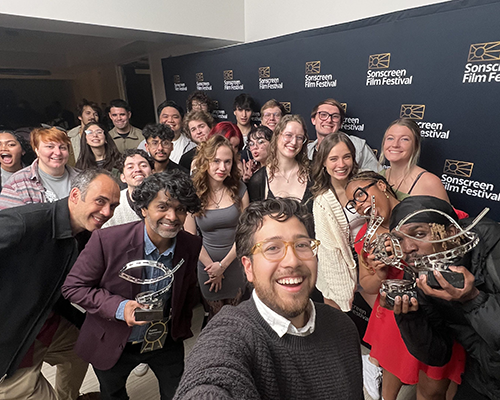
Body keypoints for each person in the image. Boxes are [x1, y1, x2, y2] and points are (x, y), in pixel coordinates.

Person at [174, 198, 363, 400]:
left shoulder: (343, 326)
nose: (292, 261)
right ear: (248, 268)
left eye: (301, 245)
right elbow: (213, 377)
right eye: (272, 248)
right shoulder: (233, 332)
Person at [62, 170, 203, 400]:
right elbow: (73, 288)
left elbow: (186, 290)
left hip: (165, 341)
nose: (173, 216)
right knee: (113, 394)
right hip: (114, 341)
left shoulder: (191, 244)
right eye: (163, 207)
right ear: (144, 209)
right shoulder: (106, 241)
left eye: (180, 209)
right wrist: (119, 307)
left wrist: (181, 325)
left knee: (177, 394)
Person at [0, 169, 121, 400]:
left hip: (44, 323)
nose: (107, 212)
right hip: (9, 344)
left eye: (113, 206)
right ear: (75, 195)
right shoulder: (27, 222)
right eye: (100, 201)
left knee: (83, 349)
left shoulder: (86, 235)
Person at [345, 172, 464, 400]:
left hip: (438, 315)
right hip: (395, 317)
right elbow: (367, 285)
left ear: (381, 185)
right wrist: (379, 271)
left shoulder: (425, 212)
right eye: (353, 203)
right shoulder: (366, 235)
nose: (359, 206)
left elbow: (460, 241)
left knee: (432, 388)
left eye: (361, 195)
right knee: (390, 385)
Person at [388, 196, 500, 400]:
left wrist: (472, 299)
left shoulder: (493, 249)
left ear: (451, 233)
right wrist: (412, 320)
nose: (407, 248)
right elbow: (437, 355)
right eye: (400, 240)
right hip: (482, 378)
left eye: (419, 234)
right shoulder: (419, 270)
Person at [184, 135, 249, 318]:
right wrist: (213, 267)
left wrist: (223, 265)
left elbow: (245, 232)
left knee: (237, 316)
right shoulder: (193, 193)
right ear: (205, 162)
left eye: (227, 162)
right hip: (206, 266)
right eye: (216, 161)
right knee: (216, 317)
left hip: (235, 263)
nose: (222, 167)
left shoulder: (240, 188)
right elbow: (191, 237)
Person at [311, 133, 361, 312]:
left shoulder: (365, 186)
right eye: (333, 159)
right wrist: (343, 287)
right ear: (323, 162)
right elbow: (329, 250)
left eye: (346, 157)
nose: (341, 165)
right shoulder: (322, 201)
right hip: (336, 272)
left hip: (369, 265)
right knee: (337, 324)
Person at [0, 126, 78, 209]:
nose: (58, 152)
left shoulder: (83, 178)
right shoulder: (16, 184)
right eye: (50, 146)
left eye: (62, 147)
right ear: (37, 150)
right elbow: (9, 220)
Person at [247, 114, 312, 211]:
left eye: (299, 137)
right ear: (277, 136)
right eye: (288, 135)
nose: (294, 142)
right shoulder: (258, 180)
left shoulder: (313, 173)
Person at [380, 118, 449, 202]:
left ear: (415, 146)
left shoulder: (429, 182)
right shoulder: (379, 176)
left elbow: (445, 215)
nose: (395, 144)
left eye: (404, 139)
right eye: (390, 138)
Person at [308, 98, 380, 172]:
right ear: (313, 120)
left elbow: (377, 174)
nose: (329, 120)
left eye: (335, 116)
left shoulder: (359, 146)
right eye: (323, 115)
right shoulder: (307, 150)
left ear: (341, 124)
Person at [102, 148, 154, 228]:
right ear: (123, 178)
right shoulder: (114, 204)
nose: (137, 170)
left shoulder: (164, 197)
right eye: (130, 167)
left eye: (143, 165)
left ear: (153, 173)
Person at [67, 99, 101, 165]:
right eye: (88, 113)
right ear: (80, 117)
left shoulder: (103, 136)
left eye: (95, 114)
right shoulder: (69, 137)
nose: (92, 117)